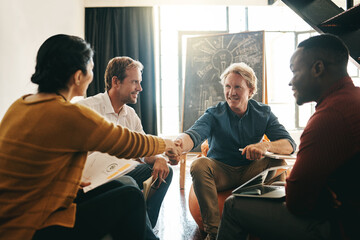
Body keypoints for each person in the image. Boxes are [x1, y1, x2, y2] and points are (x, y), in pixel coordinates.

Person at [0, 34, 180, 240]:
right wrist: (165, 144)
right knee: (130, 196)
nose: (93, 75)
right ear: (78, 76)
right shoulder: (69, 114)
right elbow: (128, 142)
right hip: (32, 228)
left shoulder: (20, 105)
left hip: (23, 214)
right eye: (91, 69)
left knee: (122, 186)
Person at [217, 34, 360, 240]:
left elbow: (297, 202)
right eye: (228, 87)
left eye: (294, 71)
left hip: (341, 227)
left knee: (233, 205)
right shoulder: (353, 99)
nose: (290, 82)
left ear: (317, 68)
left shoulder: (329, 117)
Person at [168, 62, 296, 240]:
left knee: (278, 163)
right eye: (227, 86)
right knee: (199, 164)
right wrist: (179, 144)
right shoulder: (214, 113)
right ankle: (214, 232)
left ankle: (276, 221)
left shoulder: (263, 113)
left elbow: (289, 144)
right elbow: (193, 134)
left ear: (250, 91)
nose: (231, 92)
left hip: (251, 171)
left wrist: (264, 146)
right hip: (221, 172)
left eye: (238, 87)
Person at [77, 56, 175, 230]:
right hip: (95, 178)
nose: (140, 88)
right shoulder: (88, 108)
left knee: (164, 172)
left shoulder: (130, 114)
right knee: (128, 181)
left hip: (122, 169)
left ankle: (146, 228)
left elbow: (143, 148)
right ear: (116, 82)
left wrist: (159, 158)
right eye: (135, 82)